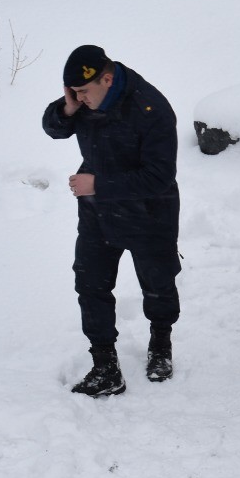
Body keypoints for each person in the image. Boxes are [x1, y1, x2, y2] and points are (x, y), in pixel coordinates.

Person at [42, 45, 180, 397]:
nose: (80, 99)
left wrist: (98, 184)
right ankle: (105, 366)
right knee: (91, 284)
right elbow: (53, 128)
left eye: (83, 92)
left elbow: (159, 176)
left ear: (106, 79)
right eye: (73, 93)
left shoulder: (151, 108)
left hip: (149, 212)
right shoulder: (82, 101)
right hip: (98, 213)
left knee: (158, 283)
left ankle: (160, 344)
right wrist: (65, 110)